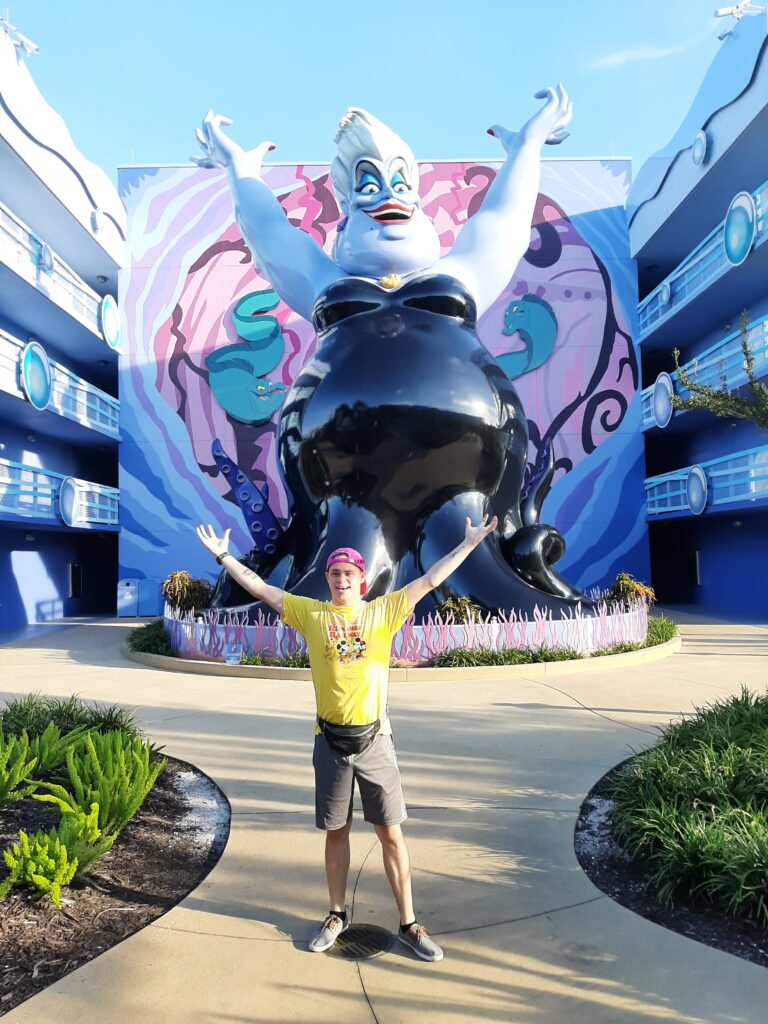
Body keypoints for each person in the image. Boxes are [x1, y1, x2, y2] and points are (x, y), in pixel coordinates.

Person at [196, 513, 497, 961]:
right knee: (336, 833)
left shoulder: (384, 611)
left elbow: (432, 578)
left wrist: (469, 545)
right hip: (330, 744)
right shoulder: (311, 614)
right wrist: (222, 555)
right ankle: (336, 914)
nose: (341, 580)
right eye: (335, 573)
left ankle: (410, 924)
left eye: (349, 574)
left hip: (376, 741)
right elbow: (261, 589)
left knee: (390, 834)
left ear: (362, 580)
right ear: (328, 578)